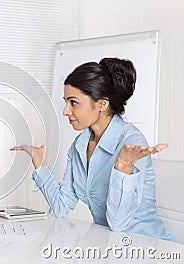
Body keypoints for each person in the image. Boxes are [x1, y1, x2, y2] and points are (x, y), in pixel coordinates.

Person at [11, 58, 176, 242]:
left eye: (73, 103)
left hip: (147, 247)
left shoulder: (131, 143)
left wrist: (123, 167)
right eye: (66, 102)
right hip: (107, 246)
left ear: (102, 104)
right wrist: (39, 163)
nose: (65, 111)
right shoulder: (79, 146)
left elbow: (119, 224)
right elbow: (60, 206)